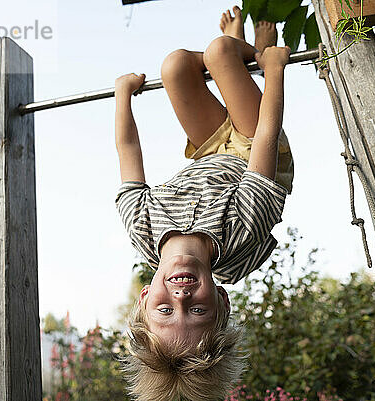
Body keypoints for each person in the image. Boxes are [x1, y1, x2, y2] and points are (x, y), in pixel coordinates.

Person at [114, 6, 294, 401]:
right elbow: (267, 135)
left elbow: (129, 154)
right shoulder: (239, 234)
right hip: (255, 151)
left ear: (145, 299)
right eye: (197, 313)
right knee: (218, 53)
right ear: (221, 300)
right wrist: (276, 69)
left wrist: (123, 95)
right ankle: (255, 53)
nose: (181, 300)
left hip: (209, 153)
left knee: (175, 66)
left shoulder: (143, 229)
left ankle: (244, 54)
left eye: (165, 312)